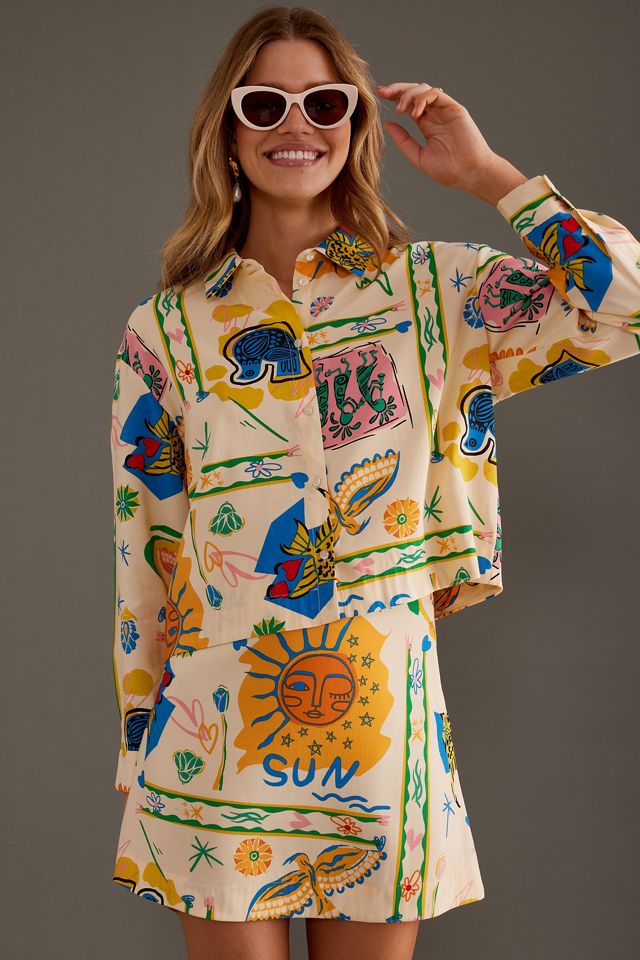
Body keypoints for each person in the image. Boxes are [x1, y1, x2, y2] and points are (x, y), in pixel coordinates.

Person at [109, 6, 639, 959]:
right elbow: (146, 547)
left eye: (324, 102)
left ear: (355, 127)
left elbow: (627, 306)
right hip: (214, 721)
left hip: (383, 717)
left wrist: (488, 175)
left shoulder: (436, 293)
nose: (295, 124)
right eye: (264, 103)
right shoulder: (167, 330)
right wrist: (140, 730)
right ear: (227, 131)